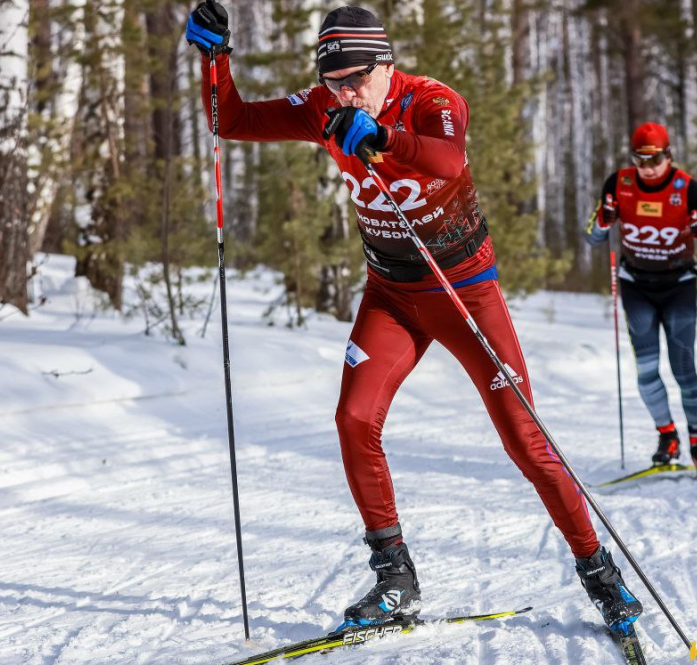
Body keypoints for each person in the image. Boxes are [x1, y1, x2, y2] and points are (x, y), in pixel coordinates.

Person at [186, 1, 642, 635]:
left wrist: (383, 138)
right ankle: (395, 578)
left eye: (355, 80)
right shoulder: (325, 109)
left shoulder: (432, 99)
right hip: (392, 295)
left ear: (386, 64)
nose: (344, 94)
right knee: (352, 419)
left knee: (524, 439)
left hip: (464, 292)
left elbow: (447, 160)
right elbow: (228, 120)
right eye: (333, 83)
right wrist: (216, 59)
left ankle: (599, 573)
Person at [586, 122, 697, 475]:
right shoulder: (617, 184)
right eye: (641, 160)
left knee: (684, 369)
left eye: (655, 159)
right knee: (646, 371)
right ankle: (667, 436)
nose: (648, 168)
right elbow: (592, 237)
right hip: (636, 285)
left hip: (678, 284)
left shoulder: (687, 187)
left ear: (669, 155)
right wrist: (603, 222)